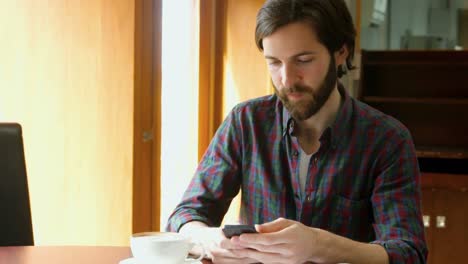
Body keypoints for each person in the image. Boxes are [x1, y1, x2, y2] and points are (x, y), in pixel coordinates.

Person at [166, 0, 428, 263]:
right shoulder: (246, 123)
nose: (287, 79)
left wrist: (318, 245)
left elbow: (408, 252)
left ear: (341, 53)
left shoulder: (387, 140)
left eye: (303, 60)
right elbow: (186, 216)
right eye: (274, 63)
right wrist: (210, 241)